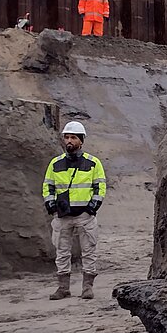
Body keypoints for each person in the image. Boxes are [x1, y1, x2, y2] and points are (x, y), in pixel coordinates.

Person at [42, 121, 107, 300]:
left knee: (89, 251)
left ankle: (87, 287)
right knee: (62, 252)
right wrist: (51, 205)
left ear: (81, 140)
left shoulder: (93, 163)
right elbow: (48, 186)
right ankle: (63, 288)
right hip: (63, 216)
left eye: (73, 137)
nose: (69, 141)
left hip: (85, 216)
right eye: (67, 137)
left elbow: (99, 186)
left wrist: (93, 207)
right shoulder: (55, 163)